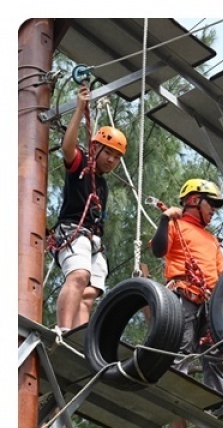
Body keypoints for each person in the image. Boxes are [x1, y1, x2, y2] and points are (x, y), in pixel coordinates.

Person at [50, 85, 125, 330]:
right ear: (95, 148)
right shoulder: (82, 165)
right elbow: (67, 148)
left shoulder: (102, 185)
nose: (112, 160)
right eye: (109, 153)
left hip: (93, 238)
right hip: (74, 230)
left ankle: (80, 337)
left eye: (117, 157)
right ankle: (64, 328)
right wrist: (80, 108)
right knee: (79, 276)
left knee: (90, 292)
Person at [150, 178, 223, 396]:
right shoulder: (177, 225)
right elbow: (158, 250)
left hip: (207, 301)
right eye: (210, 203)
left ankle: (219, 400)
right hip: (184, 293)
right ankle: (173, 390)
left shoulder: (212, 240)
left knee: (214, 353)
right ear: (194, 200)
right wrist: (165, 219)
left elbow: (222, 275)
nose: (214, 210)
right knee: (182, 346)